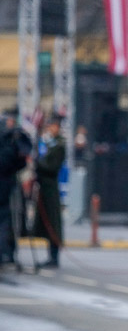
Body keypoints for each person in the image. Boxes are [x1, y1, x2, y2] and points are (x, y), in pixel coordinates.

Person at [32, 115, 67, 268]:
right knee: (46, 224)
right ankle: (50, 255)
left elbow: (51, 166)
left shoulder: (59, 145)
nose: (49, 129)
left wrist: (38, 163)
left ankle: (54, 256)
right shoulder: (49, 144)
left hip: (51, 187)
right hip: (44, 187)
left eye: (52, 126)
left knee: (52, 222)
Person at [0, 112, 31, 267]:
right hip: (6, 186)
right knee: (5, 220)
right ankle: (5, 252)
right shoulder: (8, 141)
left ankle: (7, 252)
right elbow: (18, 162)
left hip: (7, 186)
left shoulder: (11, 139)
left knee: (9, 220)